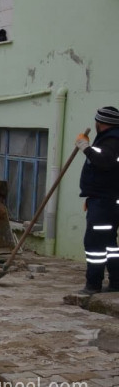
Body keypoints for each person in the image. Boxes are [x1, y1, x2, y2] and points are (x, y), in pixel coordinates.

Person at [76, 106, 119, 295]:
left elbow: (104, 162)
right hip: (104, 199)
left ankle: (93, 284)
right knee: (110, 244)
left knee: (94, 244)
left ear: (100, 123)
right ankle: (116, 283)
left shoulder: (112, 139)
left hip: (105, 201)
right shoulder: (112, 138)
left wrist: (85, 147)